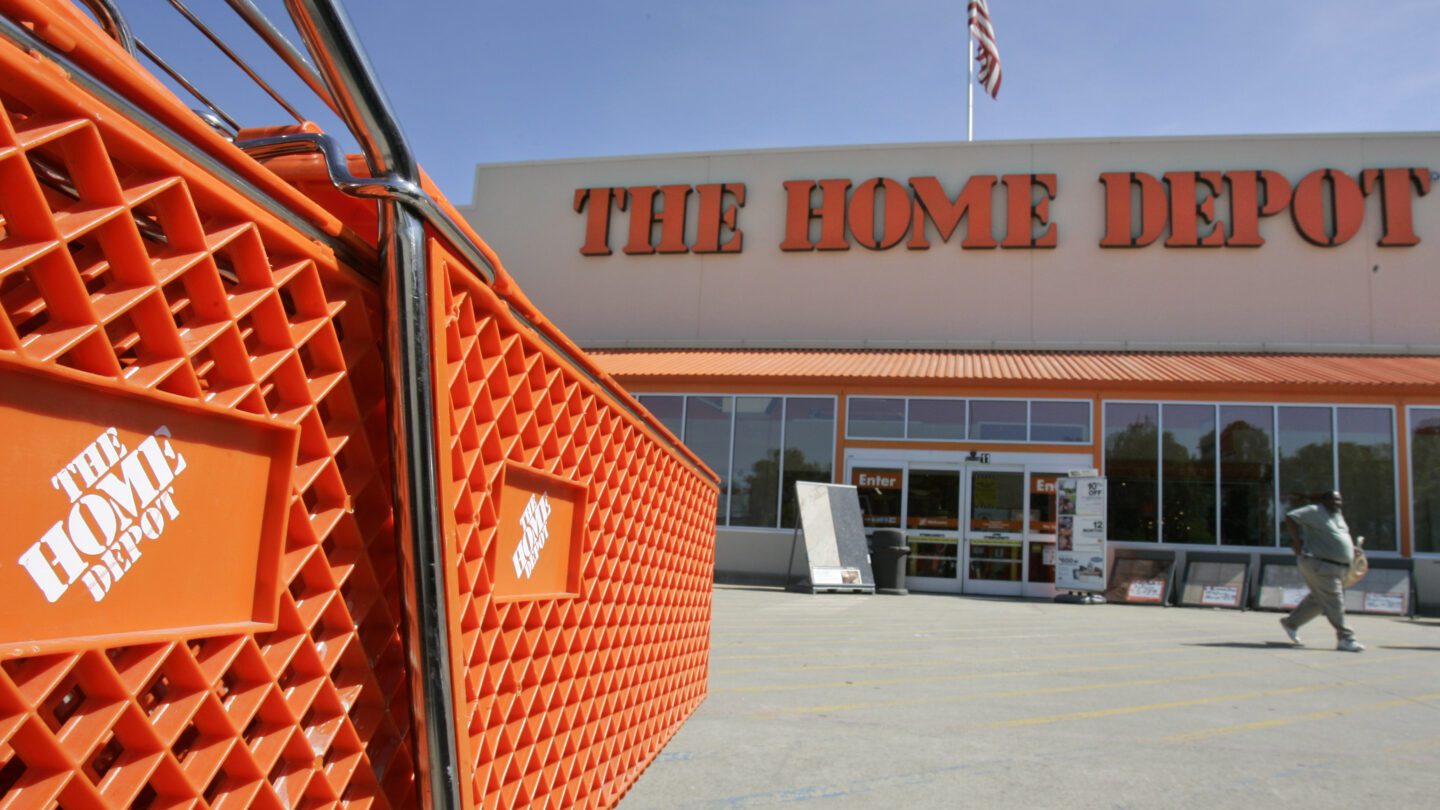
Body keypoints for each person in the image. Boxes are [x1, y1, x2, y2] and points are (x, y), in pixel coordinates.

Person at [1280, 491, 1364, 652]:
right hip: (1319, 564)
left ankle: (1291, 622)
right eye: (1334, 499)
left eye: (1340, 499)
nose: (1338, 502)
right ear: (1324, 500)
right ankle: (1346, 638)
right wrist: (1297, 542)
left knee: (1320, 600)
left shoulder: (1338, 515)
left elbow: (1335, 538)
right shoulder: (1315, 510)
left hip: (1339, 566)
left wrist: (1351, 550)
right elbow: (1290, 517)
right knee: (1334, 601)